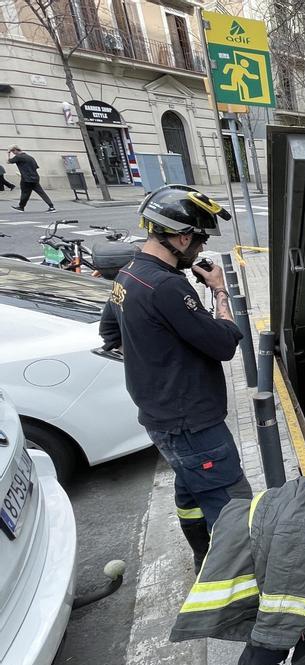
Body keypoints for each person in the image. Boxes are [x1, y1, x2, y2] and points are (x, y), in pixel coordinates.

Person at [98, 184, 247, 573]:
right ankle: (242, 591)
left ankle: (202, 559)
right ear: (181, 237)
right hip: (192, 423)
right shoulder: (167, 286)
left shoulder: (128, 274)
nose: (199, 250)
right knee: (234, 507)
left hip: (159, 419)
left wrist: (159, 362)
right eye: (198, 240)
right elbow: (225, 343)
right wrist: (219, 294)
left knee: (190, 492)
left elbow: (111, 337)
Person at [170, 478, 305, 665]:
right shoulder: (260, 542)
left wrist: (271, 641)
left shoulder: (241, 549)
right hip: (289, 553)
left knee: (260, 656)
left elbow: (292, 577)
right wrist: (270, 641)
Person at [8, 146, 55, 212]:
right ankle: (51, 206)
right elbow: (35, 167)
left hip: (26, 179)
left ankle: (21, 207)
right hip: (35, 178)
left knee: (25, 193)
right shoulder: (30, 157)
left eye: (13, 152)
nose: (13, 153)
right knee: (41, 193)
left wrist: (8, 153)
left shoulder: (19, 157)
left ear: (15, 150)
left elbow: (9, 161)